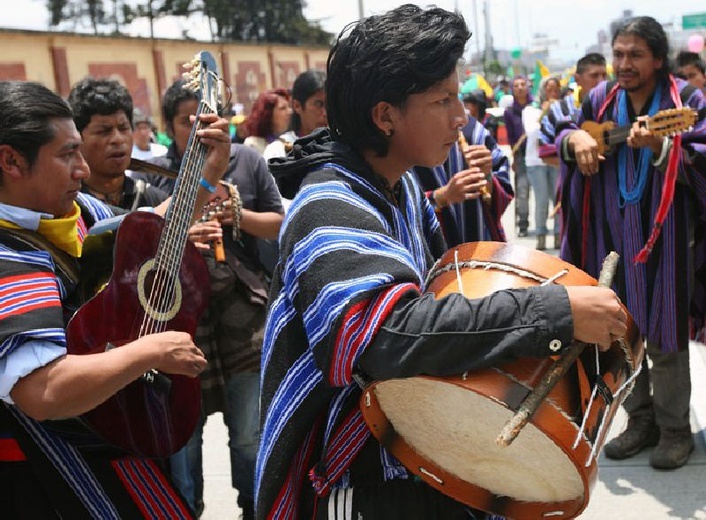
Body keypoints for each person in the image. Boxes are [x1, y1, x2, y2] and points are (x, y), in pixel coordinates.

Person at [257, 5, 628, 519]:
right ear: (385, 116)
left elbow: (441, 292)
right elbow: (379, 337)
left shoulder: (399, 184)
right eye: (443, 100)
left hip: (407, 458)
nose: (461, 117)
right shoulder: (329, 205)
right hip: (355, 479)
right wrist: (554, 313)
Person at [0, 80, 231, 518]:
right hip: (45, 481)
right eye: (67, 153)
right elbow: (42, 390)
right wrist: (149, 351)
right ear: (11, 160)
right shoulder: (8, 254)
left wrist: (206, 174)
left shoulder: (81, 214)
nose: (82, 169)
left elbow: (153, 231)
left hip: (112, 449)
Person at [555, 16, 706, 470]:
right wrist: (576, 137)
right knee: (617, 337)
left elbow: (701, 150)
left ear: (658, 59)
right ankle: (639, 422)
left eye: (635, 54)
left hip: (667, 244)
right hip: (610, 241)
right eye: (618, 54)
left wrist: (662, 149)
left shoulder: (687, 100)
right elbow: (556, 132)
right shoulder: (599, 101)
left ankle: (676, 431)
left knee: (665, 341)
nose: (623, 63)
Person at [134, 78, 285, 519]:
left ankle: (256, 511)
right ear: (169, 127)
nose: (196, 131)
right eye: (185, 122)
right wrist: (184, 234)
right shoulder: (150, 178)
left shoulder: (248, 161)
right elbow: (142, 242)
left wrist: (236, 213)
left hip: (243, 321)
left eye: (203, 120)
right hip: (180, 324)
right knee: (185, 442)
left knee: (249, 439)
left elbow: (279, 224)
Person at [412, 110, 513, 246]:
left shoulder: (475, 132)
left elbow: (502, 188)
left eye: (456, 96)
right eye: (443, 100)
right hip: (430, 255)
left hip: (480, 249)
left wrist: (487, 176)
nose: (459, 110)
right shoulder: (404, 139)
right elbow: (392, 208)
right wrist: (442, 197)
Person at [67, 77, 169, 211]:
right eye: (104, 131)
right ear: (78, 138)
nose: (118, 139)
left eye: (123, 128)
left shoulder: (154, 200)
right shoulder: (69, 206)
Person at [522, 76, 562, 250]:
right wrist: (545, 112)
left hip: (555, 160)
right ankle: (541, 235)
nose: (552, 92)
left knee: (558, 199)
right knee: (542, 200)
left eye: (555, 89)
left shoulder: (561, 108)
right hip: (536, 161)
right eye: (549, 89)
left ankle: (560, 235)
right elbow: (532, 131)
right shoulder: (531, 110)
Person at [263, 69, 328, 162]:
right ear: (297, 106)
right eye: (318, 104)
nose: (325, 113)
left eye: (328, 105)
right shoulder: (278, 152)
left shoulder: (338, 147)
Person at [503, 74, 533, 237]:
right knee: (522, 191)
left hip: (539, 154)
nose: (520, 88)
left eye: (523, 84)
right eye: (516, 85)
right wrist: (514, 158)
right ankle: (523, 225)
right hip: (521, 156)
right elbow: (511, 138)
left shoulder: (536, 107)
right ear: (512, 89)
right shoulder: (509, 112)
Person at [242, 89, 292, 155]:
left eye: (289, 107)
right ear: (268, 114)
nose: (290, 111)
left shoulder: (288, 141)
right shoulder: (252, 145)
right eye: (283, 108)